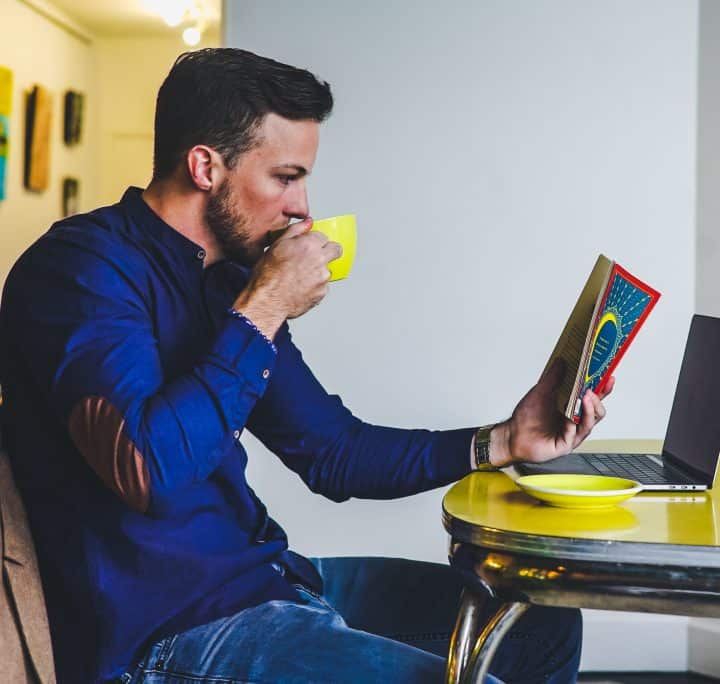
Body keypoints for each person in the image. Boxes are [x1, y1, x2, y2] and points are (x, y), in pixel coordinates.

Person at [0, 48, 612, 684]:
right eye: (285, 178)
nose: (302, 209)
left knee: (539, 624)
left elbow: (333, 452)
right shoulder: (80, 270)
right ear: (206, 165)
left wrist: (506, 440)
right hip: (166, 631)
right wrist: (263, 309)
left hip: (269, 581)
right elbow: (149, 470)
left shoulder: (228, 283)